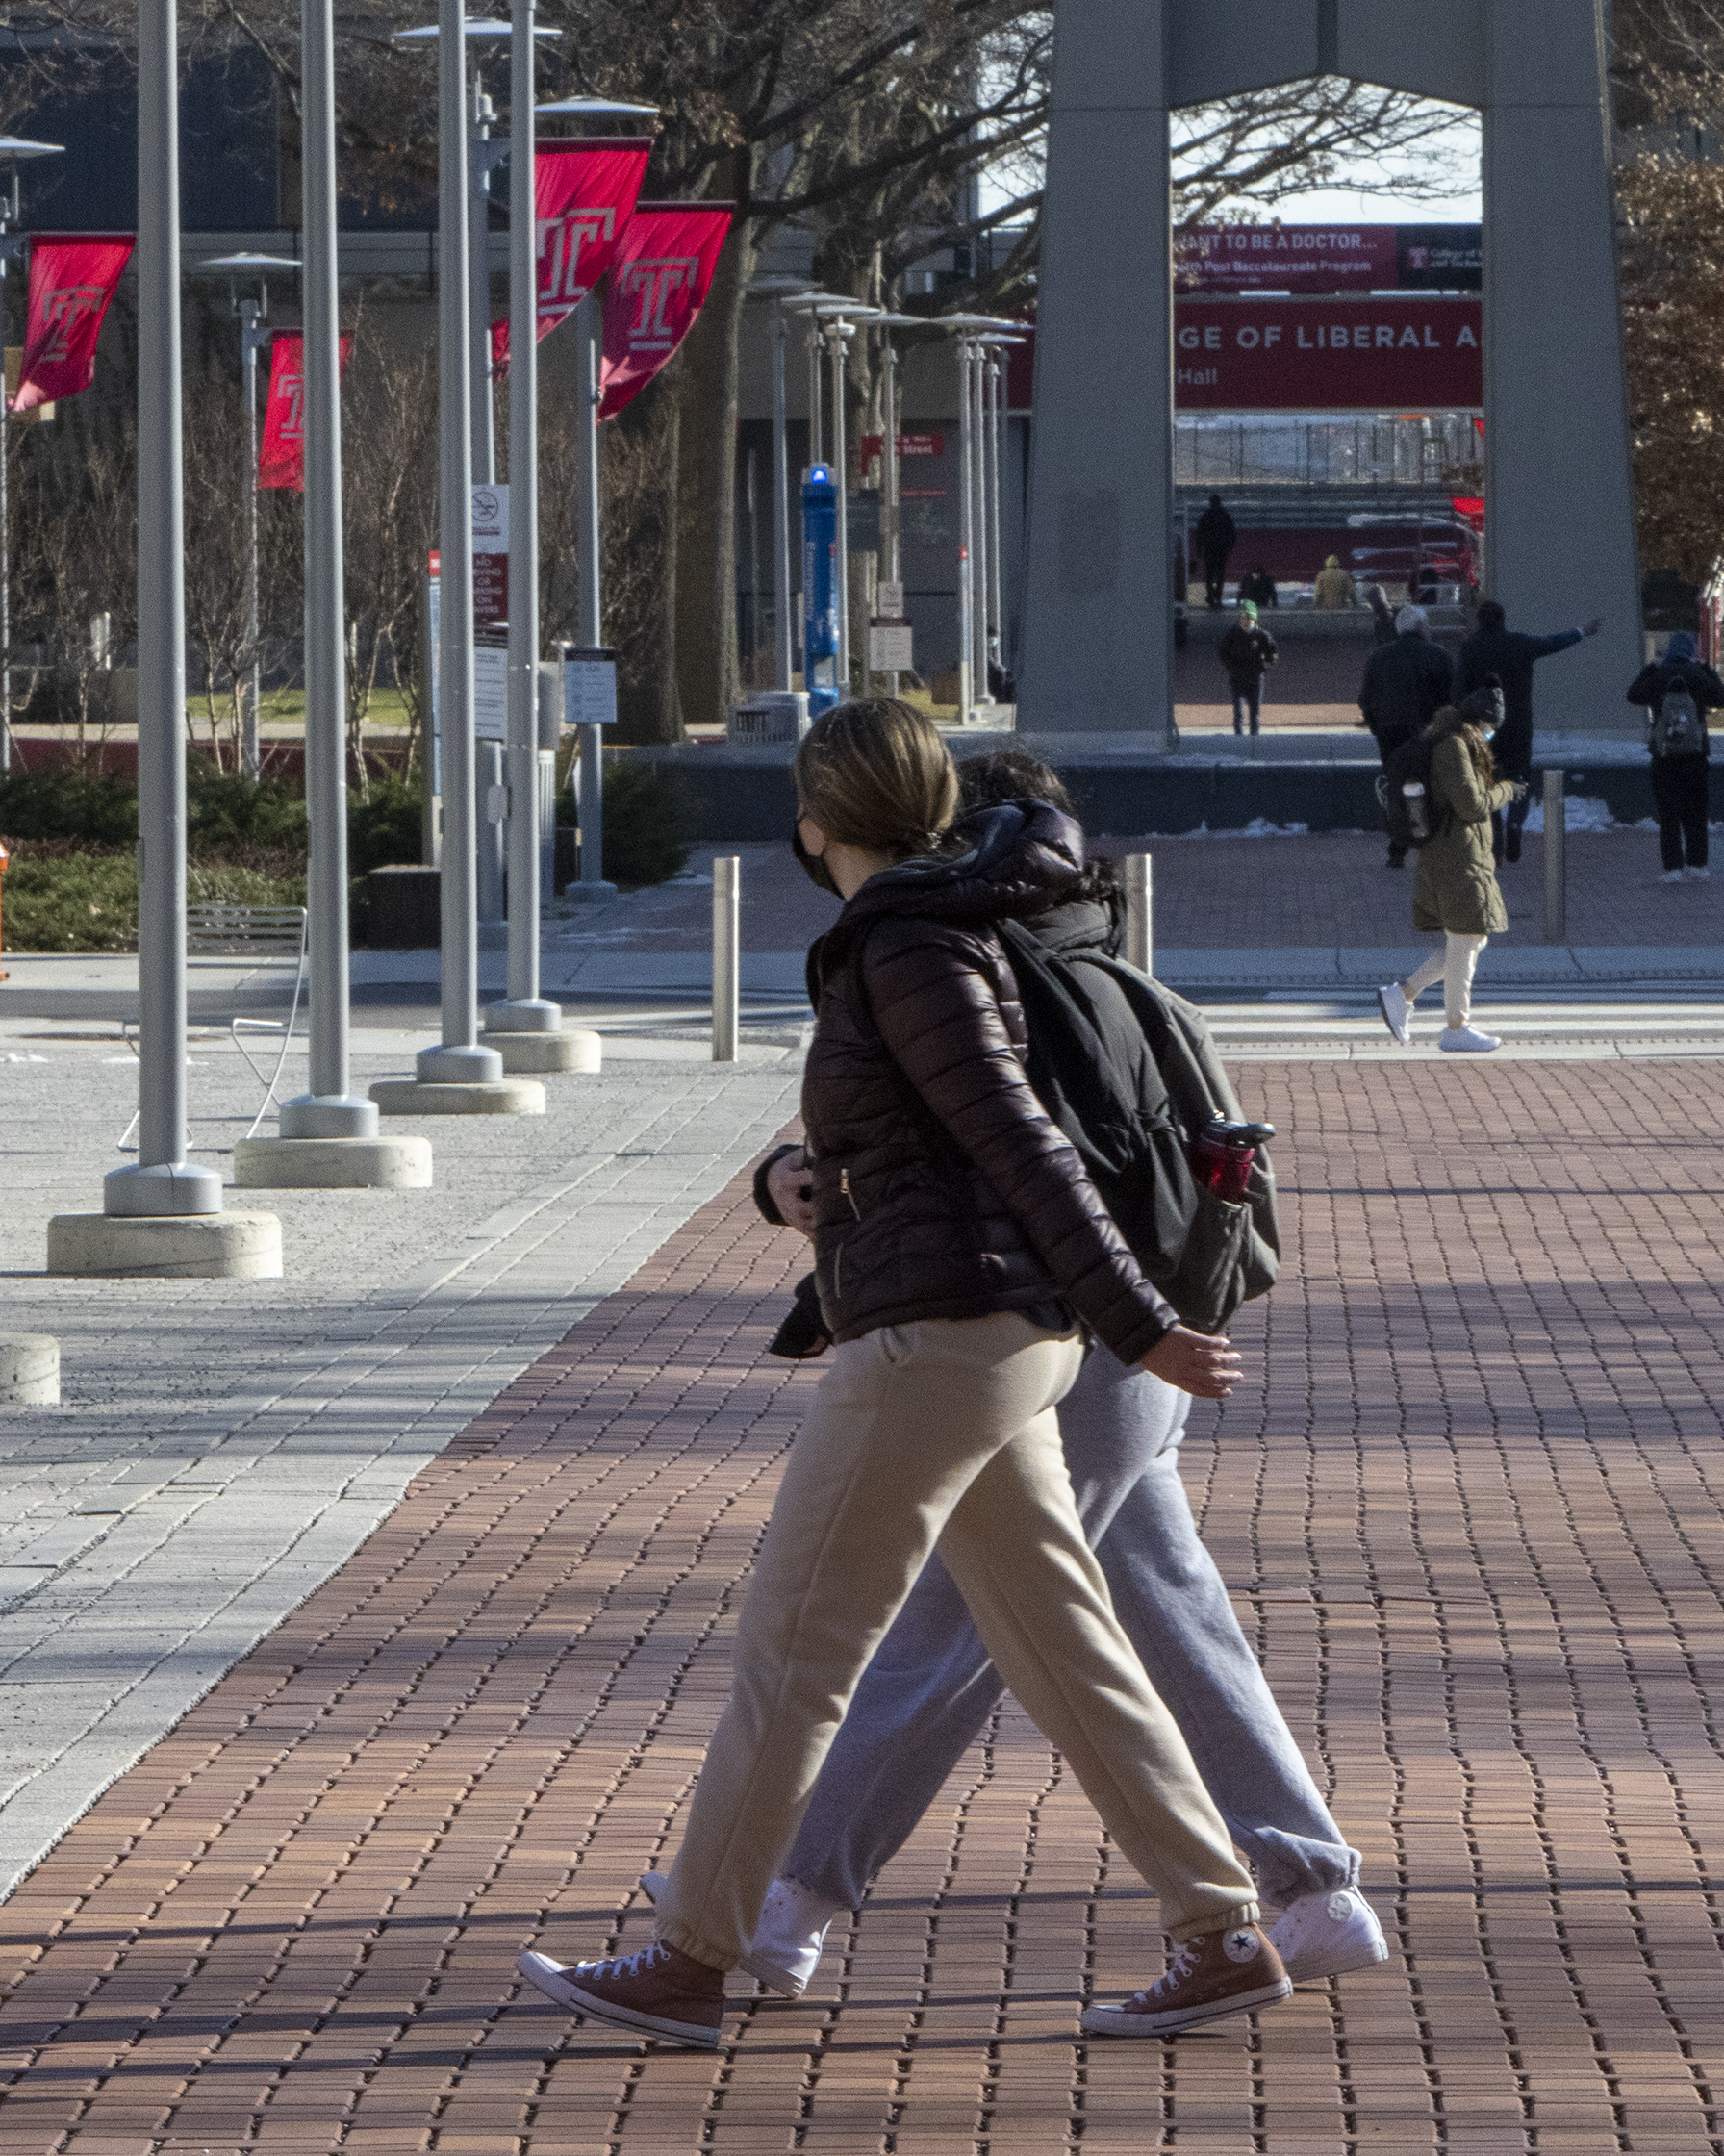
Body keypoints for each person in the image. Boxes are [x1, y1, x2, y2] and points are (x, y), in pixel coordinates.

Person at [518, 698, 1287, 2047]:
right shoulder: (949, 927)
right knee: (1066, 1648)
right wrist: (799, 1182)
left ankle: (693, 1956)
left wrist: (1141, 1323)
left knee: (794, 1645)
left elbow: (1024, 1147)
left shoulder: (909, 943)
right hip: (990, 1344)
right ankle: (1220, 1927)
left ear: (817, 820)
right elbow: (943, 1140)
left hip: (940, 1345)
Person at [723, 747, 1389, 2005]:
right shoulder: (1104, 965)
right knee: (1164, 1601)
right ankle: (1312, 1888)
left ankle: (791, 1896)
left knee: (958, 1623)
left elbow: (986, 1161)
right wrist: (784, 1181)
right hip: (1147, 1331)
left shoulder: (980, 966)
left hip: (1069, 1338)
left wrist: (798, 1190)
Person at [1377, 684, 1514, 1053]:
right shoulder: (1453, 746)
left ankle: (1403, 994)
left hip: (1459, 855)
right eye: (1491, 726)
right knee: (1466, 939)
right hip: (1455, 857)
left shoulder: (1457, 742)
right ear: (1482, 720)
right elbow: (1471, 805)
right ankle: (1456, 1027)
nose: (1492, 734)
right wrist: (1506, 791)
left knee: (1469, 938)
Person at [1453, 600, 1605, 862]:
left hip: (1484, 729)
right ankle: (1515, 822)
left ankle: (1495, 835)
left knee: (1486, 780)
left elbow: (1458, 690)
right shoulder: (1520, 644)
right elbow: (1552, 643)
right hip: (1518, 725)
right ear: (1502, 620)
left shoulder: (1469, 649)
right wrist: (1581, 631)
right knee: (1519, 778)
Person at [1621, 631, 1724, 882]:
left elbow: (1633, 696)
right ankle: (1698, 864)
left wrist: (1647, 672)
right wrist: (1710, 672)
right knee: (1696, 811)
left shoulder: (1660, 675)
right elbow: (1722, 700)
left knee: (1668, 813)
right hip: (1695, 754)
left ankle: (1672, 867)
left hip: (1664, 755)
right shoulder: (1698, 675)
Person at [1356, 602, 1457, 870]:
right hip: (1427, 735)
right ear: (1420, 626)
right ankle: (1426, 840)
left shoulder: (1379, 657)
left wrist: (1377, 727)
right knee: (1427, 787)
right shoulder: (1438, 655)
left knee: (1398, 788)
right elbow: (1452, 699)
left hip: (1390, 735)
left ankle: (1398, 845)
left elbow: (1365, 699)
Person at [1218, 601, 1280, 738]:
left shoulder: (1261, 636)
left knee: (1254, 713)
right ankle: (1239, 740)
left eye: (1248, 619)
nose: (1245, 622)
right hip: (1237, 679)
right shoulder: (1233, 634)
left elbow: (1272, 652)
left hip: (1254, 679)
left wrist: (1266, 664)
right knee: (1238, 713)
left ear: (1254, 619)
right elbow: (1223, 651)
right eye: (1243, 618)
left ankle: (1254, 740)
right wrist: (1230, 666)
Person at [1192, 494, 1240, 609]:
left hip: (1209, 550)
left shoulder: (1206, 516)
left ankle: (1212, 596)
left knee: (1209, 575)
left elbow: (1199, 534)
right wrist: (1230, 547)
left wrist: (1199, 549)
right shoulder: (1225, 516)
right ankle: (1217, 598)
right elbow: (1232, 533)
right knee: (1219, 575)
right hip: (1221, 550)